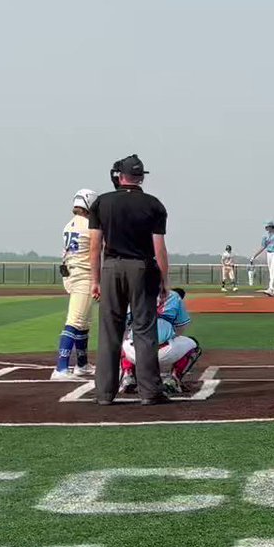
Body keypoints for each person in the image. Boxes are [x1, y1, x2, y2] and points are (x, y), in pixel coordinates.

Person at [89, 154, 171, 406]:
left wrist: (95, 279)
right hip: (141, 268)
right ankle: (150, 392)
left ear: (120, 176)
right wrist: (164, 281)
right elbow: (159, 248)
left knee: (110, 331)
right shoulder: (153, 205)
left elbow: (94, 245)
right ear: (140, 177)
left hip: (111, 267)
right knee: (145, 331)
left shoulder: (101, 203)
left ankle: (104, 393)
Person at [51, 188, 99, 381]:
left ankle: (82, 364)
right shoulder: (90, 225)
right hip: (84, 275)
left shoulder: (68, 225)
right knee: (75, 321)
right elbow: (97, 253)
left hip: (71, 274)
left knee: (84, 322)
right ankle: (61, 368)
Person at [120, 287, 201, 395]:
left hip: (137, 353)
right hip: (165, 352)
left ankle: (128, 376)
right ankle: (174, 379)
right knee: (193, 344)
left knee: (125, 341)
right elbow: (181, 327)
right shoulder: (174, 296)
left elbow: (122, 325)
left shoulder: (134, 295)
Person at [250, 221, 274, 297]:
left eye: (268, 227)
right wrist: (254, 256)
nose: (267, 228)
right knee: (272, 272)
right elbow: (262, 247)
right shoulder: (265, 236)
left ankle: (271, 289)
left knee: (273, 270)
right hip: (269, 253)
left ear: (272, 227)